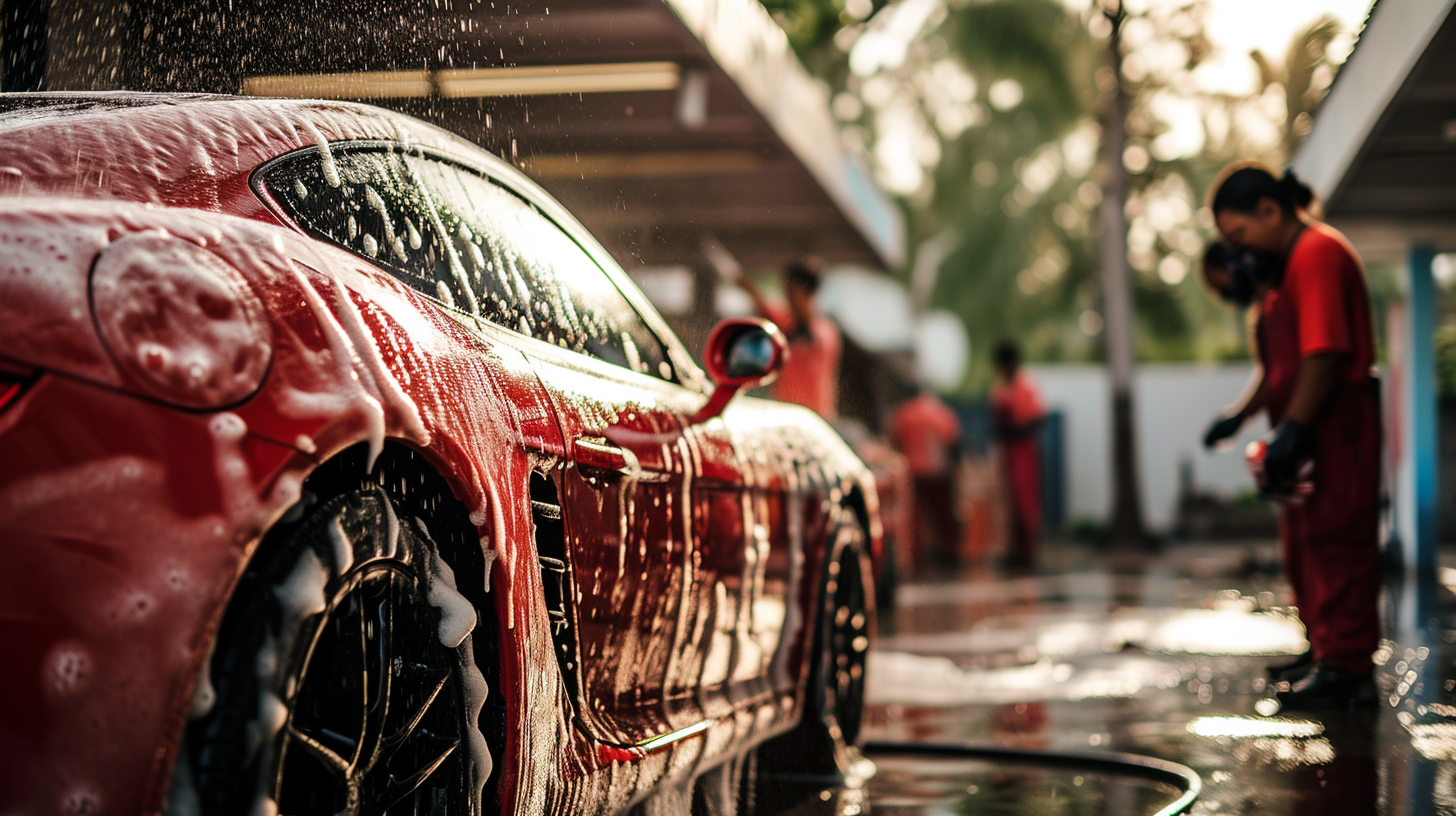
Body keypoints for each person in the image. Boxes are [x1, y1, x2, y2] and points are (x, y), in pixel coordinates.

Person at [1200, 163, 1380, 710]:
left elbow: (1324, 355)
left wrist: (1296, 428)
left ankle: (1347, 669)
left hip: (1335, 423)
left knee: (1338, 540)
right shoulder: (1291, 268)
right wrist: (1246, 419)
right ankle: (1326, 652)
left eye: (1240, 237)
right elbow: (1282, 367)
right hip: (1310, 425)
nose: (1240, 252)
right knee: (1308, 543)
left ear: (1270, 212)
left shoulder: (1317, 253)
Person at [731, 257, 842, 419]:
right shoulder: (786, 322)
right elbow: (759, 298)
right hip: (783, 416)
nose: (787, 295)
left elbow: (805, 335)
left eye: (791, 290)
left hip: (817, 420)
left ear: (804, 291)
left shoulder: (826, 332)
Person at [890, 385, 963, 569]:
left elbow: (896, 441)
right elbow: (953, 444)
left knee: (916, 519)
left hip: (913, 472)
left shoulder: (905, 413)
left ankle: (917, 558)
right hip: (937, 470)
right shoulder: (941, 413)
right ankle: (951, 553)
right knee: (943, 516)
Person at [989, 341, 1045, 569]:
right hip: (1007, 451)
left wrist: (1017, 429)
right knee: (1007, 502)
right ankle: (1012, 549)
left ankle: (1028, 550)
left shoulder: (1027, 386)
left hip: (1024, 450)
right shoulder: (999, 388)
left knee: (1026, 500)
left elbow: (1038, 419)